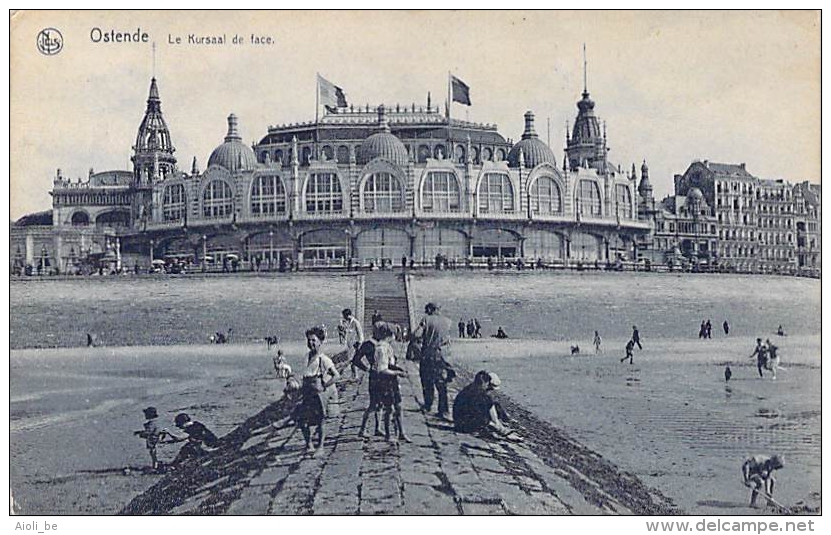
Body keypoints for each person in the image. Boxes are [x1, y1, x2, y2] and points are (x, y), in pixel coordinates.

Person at [296, 326, 341, 455]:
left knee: (321, 420)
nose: (311, 343)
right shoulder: (306, 356)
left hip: (317, 394)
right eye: (309, 340)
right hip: (306, 392)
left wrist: (325, 385)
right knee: (302, 420)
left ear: (320, 342)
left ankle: (320, 447)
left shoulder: (323, 359)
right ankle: (309, 445)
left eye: (314, 340)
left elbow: (336, 375)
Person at [412, 302, 453, 421]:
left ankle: (428, 405)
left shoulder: (426, 319)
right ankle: (443, 410)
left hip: (427, 355)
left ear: (430, 309)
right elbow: (448, 341)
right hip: (441, 355)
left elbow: (416, 334)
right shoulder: (447, 321)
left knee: (426, 381)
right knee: (441, 384)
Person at [452, 371, 520, 441]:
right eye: (488, 385)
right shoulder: (478, 395)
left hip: (459, 422)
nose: (488, 387)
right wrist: (497, 427)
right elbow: (481, 415)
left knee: (494, 405)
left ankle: (502, 426)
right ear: (484, 383)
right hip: (464, 425)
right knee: (487, 410)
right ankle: (501, 429)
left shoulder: (473, 389)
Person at [373, 322, 411, 442]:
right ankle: (388, 435)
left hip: (392, 381)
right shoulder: (381, 348)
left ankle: (401, 433)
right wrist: (398, 373)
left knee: (399, 406)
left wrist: (397, 368)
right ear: (390, 335)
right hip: (385, 382)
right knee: (389, 408)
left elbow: (389, 364)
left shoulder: (387, 347)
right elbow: (382, 370)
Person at [353, 327, 382, 438]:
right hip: (375, 377)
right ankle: (362, 429)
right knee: (373, 404)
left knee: (380, 404)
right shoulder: (368, 344)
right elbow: (356, 360)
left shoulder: (382, 344)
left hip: (383, 376)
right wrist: (367, 369)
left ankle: (378, 428)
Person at [133, 406, 171, 472]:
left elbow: (149, 432)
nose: (145, 415)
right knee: (154, 454)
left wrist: (140, 433)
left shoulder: (152, 423)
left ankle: (156, 467)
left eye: (146, 414)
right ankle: (157, 466)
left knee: (154, 454)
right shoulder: (156, 422)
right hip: (156, 440)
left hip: (154, 441)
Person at [342, 308, 364, 380]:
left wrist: (359, 345)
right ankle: (354, 375)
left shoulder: (355, 323)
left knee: (353, 360)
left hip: (356, 345)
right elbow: (347, 334)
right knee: (351, 361)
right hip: (350, 345)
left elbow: (360, 335)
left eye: (344, 316)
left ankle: (356, 376)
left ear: (348, 315)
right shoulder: (347, 323)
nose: (343, 317)